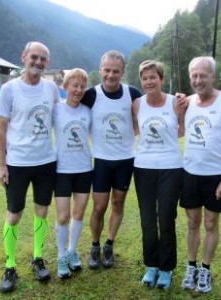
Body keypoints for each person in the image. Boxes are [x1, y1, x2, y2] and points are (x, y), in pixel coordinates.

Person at [0, 41, 60, 293]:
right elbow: (1, 130)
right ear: (24, 57)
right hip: (17, 163)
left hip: (46, 162)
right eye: (34, 57)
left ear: (47, 64)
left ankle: (37, 257)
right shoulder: (9, 89)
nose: (39, 62)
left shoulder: (52, 89)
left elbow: (62, 117)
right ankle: (10, 266)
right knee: (14, 213)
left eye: (43, 59)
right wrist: (2, 165)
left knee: (42, 211)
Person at [180, 56, 221, 293]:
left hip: (216, 175)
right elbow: (178, 129)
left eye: (203, 75)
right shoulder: (187, 102)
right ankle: (191, 266)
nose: (198, 80)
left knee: (210, 222)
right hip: (190, 173)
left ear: (212, 76)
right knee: (193, 222)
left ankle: (205, 269)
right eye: (194, 76)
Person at [80, 50, 142, 269]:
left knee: (118, 203)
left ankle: (109, 245)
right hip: (102, 161)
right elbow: (69, 107)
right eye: (107, 70)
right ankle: (95, 245)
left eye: (116, 71)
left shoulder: (132, 93)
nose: (111, 75)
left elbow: (148, 112)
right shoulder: (91, 94)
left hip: (125, 160)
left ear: (123, 72)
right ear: (100, 70)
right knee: (99, 207)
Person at [132, 60, 185, 289]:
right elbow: (134, 129)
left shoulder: (176, 102)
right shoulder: (136, 104)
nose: (149, 81)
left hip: (171, 168)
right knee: (147, 221)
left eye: (153, 77)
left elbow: (183, 128)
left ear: (161, 79)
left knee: (166, 219)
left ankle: (166, 269)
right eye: (144, 78)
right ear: (141, 81)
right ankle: (151, 265)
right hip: (143, 168)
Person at [53, 68, 92, 279]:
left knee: (78, 214)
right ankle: (61, 256)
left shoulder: (88, 111)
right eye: (74, 85)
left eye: (82, 86)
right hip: (61, 170)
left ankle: (71, 251)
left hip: (84, 169)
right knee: (62, 215)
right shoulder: (55, 109)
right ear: (65, 86)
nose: (78, 90)